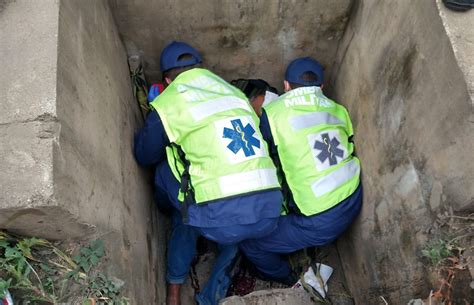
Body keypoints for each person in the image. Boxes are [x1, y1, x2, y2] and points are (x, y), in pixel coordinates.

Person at [133, 41, 283, 305]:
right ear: (201, 69)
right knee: (237, 227)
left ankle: (174, 288)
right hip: (270, 209)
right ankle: (212, 296)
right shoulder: (234, 92)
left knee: (172, 181)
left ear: (167, 80)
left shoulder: (170, 100)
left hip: (220, 221)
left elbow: (144, 154)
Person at [240, 57, 363, 284]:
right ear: (322, 87)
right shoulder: (339, 110)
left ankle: (288, 278)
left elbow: (263, 152)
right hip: (354, 198)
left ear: (286, 86)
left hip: (322, 219)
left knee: (251, 244)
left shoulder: (273, 114)